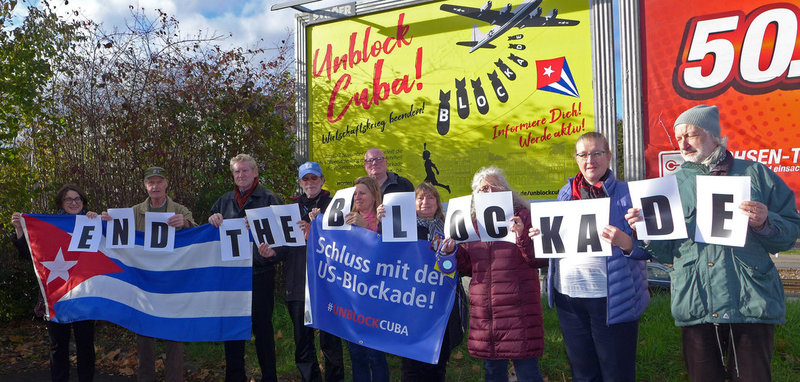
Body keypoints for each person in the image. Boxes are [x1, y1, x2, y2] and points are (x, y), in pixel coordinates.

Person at [625, 105, 800, 381]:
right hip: (696, 302)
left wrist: (767, 222)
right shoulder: (670, 186)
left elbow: (791, 231)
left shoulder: (756, 174)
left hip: (749, 302)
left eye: (691, 135)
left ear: (715, 137)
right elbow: (668, 253)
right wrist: (645, 232)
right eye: (678, 137)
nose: (682, 144)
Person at [530, 132, 650, 382]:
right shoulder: (565, 192)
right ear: (576, 158)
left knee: (616, 373)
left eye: (597, 153)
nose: (590, 160)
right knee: (583, 374)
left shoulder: (629, 193)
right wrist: (540, 235)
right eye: (583, 154)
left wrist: (626, 242)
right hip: (569, 298)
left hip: (612, 300)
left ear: (608, 156)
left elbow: (649, 248)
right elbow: (559, 239)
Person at [442, 166, 548, 382]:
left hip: (519, 312)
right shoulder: (473, 225)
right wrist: (454, 252)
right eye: (482, 189)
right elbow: (470, 268)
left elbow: (539, 260)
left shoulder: (524, 217)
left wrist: (522, 237)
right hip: (486, 316)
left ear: (505, 190)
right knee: (493, 374)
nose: (487, 192)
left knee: (528, 372)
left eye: (493, 187)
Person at [103, 167, 196, 382]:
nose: (155, 186)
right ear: (145, 186)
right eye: (150, 182)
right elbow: (117, 235)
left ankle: (174, 378)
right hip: (144, 281)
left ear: (166, 184)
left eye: (159, 182)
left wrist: (186, 224)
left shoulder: (180, 209)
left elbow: (198, 236)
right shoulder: (134, 211)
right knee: (144, 333)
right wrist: (105, 221)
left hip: (173, 281)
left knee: (174, 334)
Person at [207, 154, 283, 382]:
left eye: (245, 171)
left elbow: (283, 238)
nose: (241, 175)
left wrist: (269, 245)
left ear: (255, 173)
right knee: (233, 329)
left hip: (259, 273)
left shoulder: (270, 199)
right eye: (237, 172)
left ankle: (269, 377)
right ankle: (235, 376)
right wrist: (212, 219)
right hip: (231, 276)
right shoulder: (224, 201)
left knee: (263, 330)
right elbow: (209, 234)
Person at [11, 184, 99, 382]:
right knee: (58, 346)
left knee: (85, 344)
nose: (74, 203)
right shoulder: (48, 226)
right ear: (61, 203)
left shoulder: (92, 222)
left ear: (83, 202)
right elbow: (28, 255)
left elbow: (111, 248)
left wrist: (102, 221)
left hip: (85, 294)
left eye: (78, 199)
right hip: (55, 294)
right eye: (69, 199)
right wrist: (19, 228)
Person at [386, 182, 464, 382]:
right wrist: (381, 222)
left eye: (430, 198)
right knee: (411, 366)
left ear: (438, 203)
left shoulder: (450, 229)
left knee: (438, 363)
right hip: (412, 305)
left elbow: (460, 264)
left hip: (441, 305)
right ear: (413, 203)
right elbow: (386, 255)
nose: (425, 202)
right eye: (420, 198)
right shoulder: (400, 228)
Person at [287, 161, 345, 382]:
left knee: (330, 342)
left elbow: (344, 242)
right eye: (305, 179)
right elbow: (282, 245)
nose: (310, 182)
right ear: (300, 183)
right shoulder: (290, 208)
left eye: (314, 178)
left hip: (328, 283)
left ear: (322, 180)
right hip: (298, 282)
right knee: (303, 342)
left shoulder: (335, 205)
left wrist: (317, 231)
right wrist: (269, 251)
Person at [343, 176, 389, 382]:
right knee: (356, 353)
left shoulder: (383, 219)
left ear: (374, 195)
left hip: (376, 296)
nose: (357, 196)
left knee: (376, 354)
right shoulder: (345, 218)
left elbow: (386, 254)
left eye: (362, 192)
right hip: (351, 297)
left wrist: (367, 228)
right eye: (355, 193)